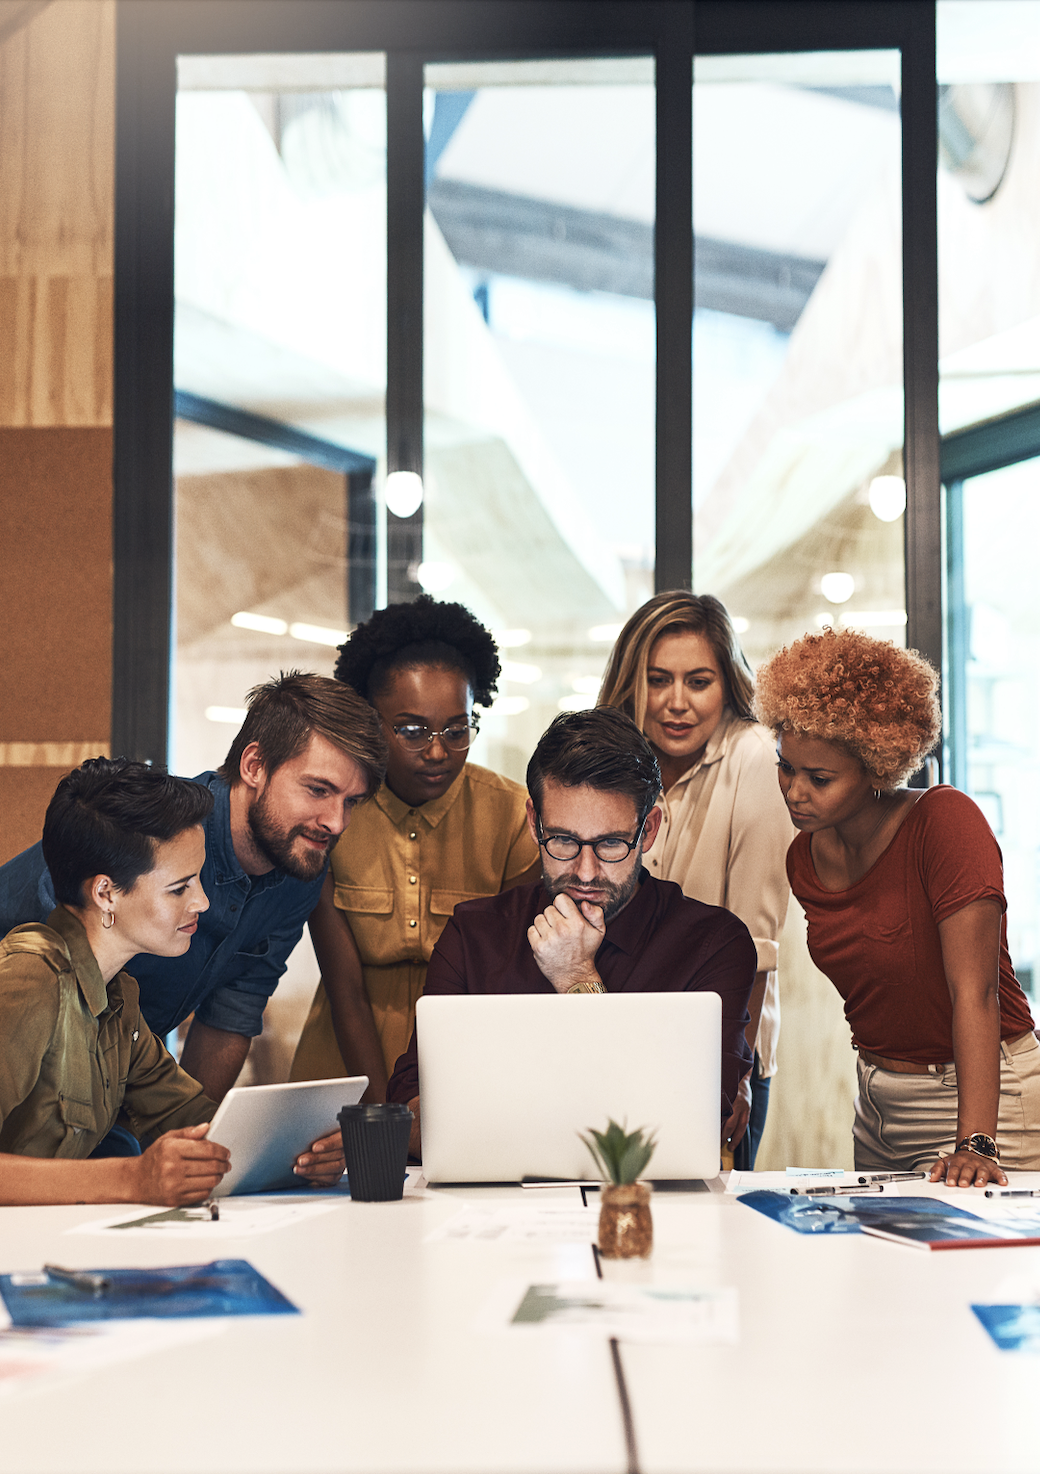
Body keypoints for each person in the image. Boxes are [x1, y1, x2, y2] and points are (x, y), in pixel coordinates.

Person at [0, 673, 386, 1102]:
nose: (337, 822)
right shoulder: (152, 829)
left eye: (352, 801)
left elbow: (233, 1015)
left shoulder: (299, 866)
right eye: (318, 790)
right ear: (254, 766)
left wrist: (191, 1140)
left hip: (105, 1083)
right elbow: (47, 977)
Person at [388, 707, 757, 1156]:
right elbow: (410, 1108)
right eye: (562, 840)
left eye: (610, 844)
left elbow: (686, 1124)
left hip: (648, 1209)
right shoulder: (475, 933)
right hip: (492, 1208)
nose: (585, 871)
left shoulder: (713, 945)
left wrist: (578, 979)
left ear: (650, 830)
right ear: (533, 823)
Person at [755, 627, 1040, 1189]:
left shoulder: (945, 823)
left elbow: (975, 993)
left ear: (877, 766)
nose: (794, 791)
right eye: (786, 767)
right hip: (879, 1109)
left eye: (819, 778)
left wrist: (976, 1142)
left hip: (988, 1105)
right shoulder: (804, 859)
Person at [0, 758, 344, 1206]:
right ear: (106, 893)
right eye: (180, 887)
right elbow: (138, 1174)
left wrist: (304, 1154)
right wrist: (131, 1179)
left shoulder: (119, 997)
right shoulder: (30, 978)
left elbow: (200, 1124)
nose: (202, 901)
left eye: (198, 879)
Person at [290, 597, 540, 1098]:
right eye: (410, 729)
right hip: (345, 1061)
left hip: (468, 1060)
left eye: (457, 729)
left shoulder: (515, 816)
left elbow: (508, 984)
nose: (436, 751)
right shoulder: (332, 813)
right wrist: (385, 1116)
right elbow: (346, 989)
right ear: (370, 719)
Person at [598, 591, 793, 1168]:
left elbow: (757, 947)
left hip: (719, 1051)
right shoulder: (616, 761)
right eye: (659, 679)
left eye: (699, 681)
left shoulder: (757, 758)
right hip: (622, 1036)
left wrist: (732, 1077)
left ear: (727, 684)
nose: (676, 703)